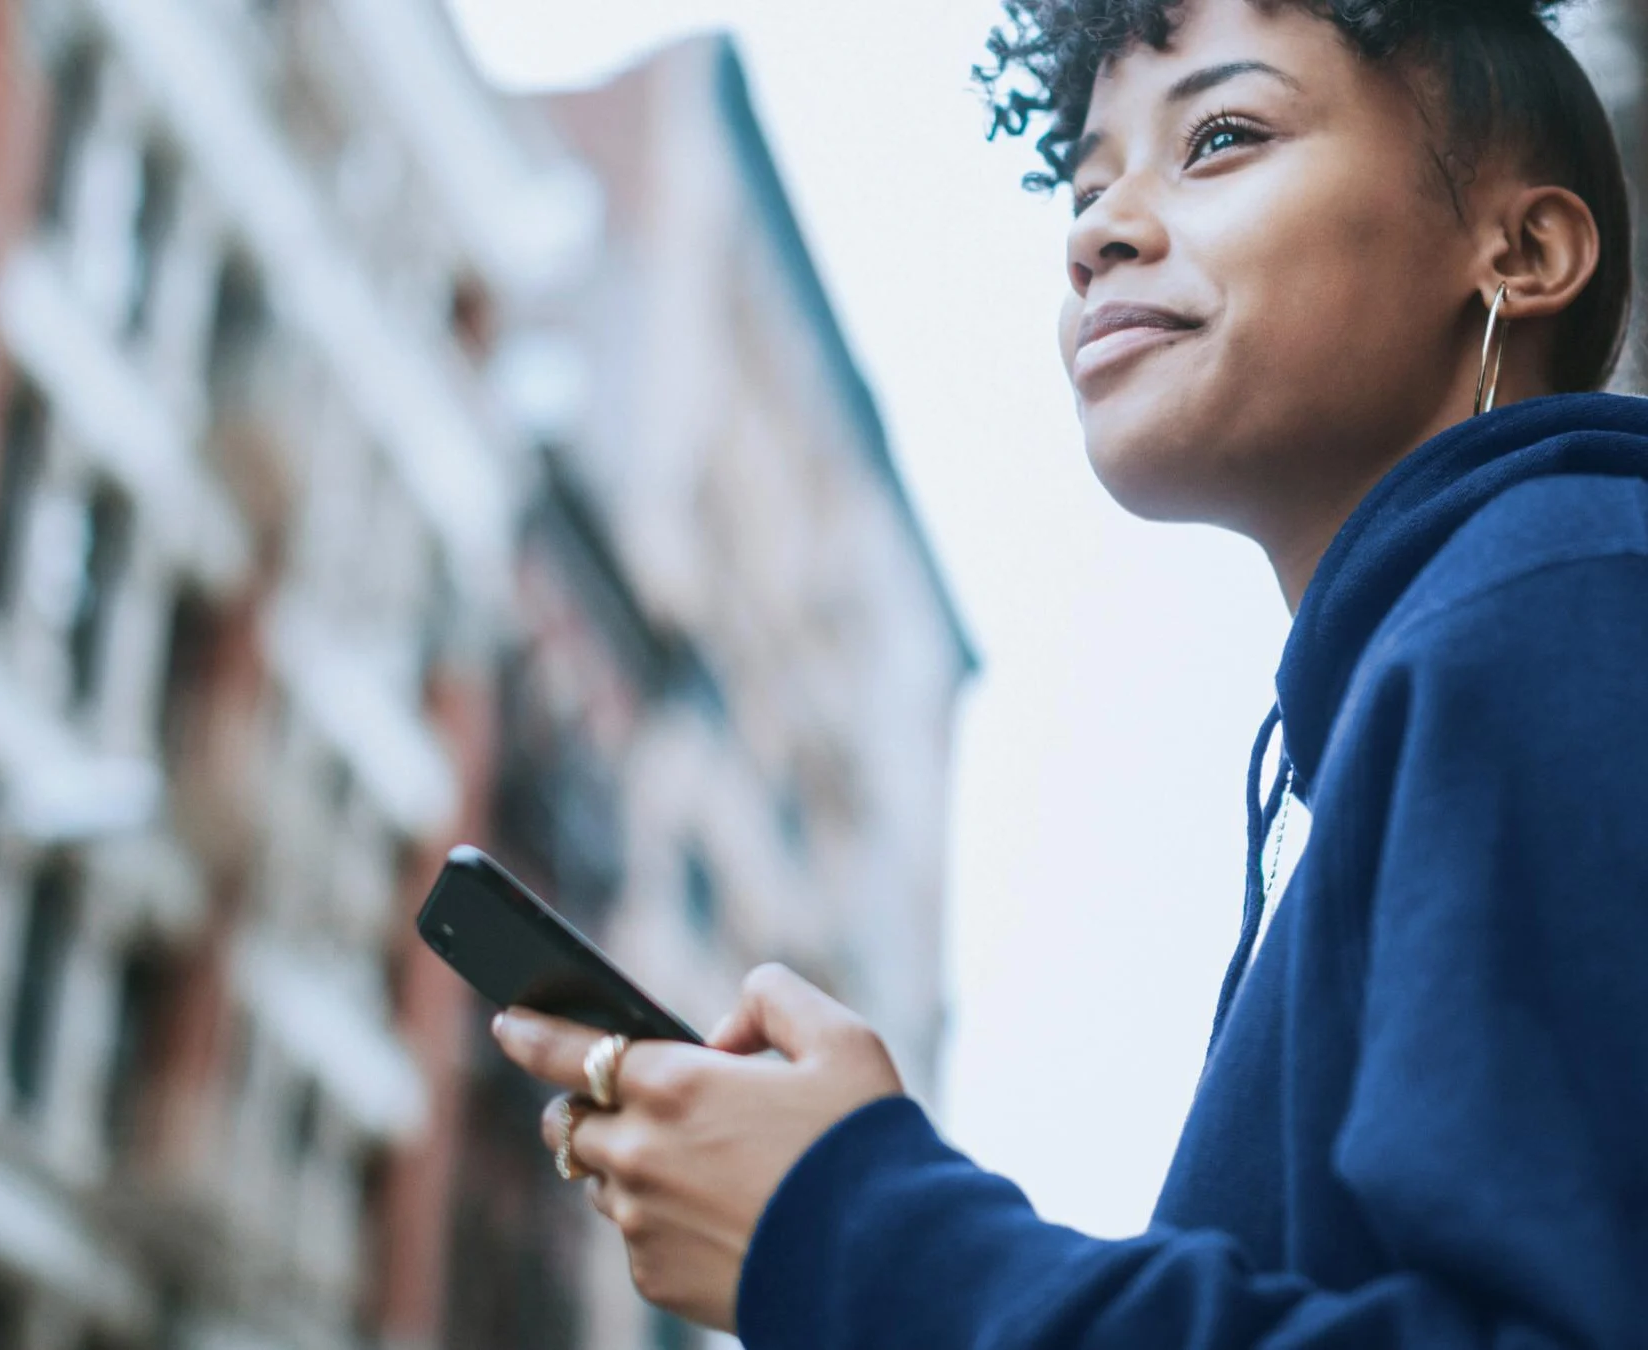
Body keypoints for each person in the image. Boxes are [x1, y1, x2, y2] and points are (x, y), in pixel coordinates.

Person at [493, 0, 1648, 1341]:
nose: (1097, 233)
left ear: (1524, 247)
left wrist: (858, 1225)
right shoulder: (1493, 638)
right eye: (1090, 185)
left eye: (1220, 137)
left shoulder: (1555, 596)